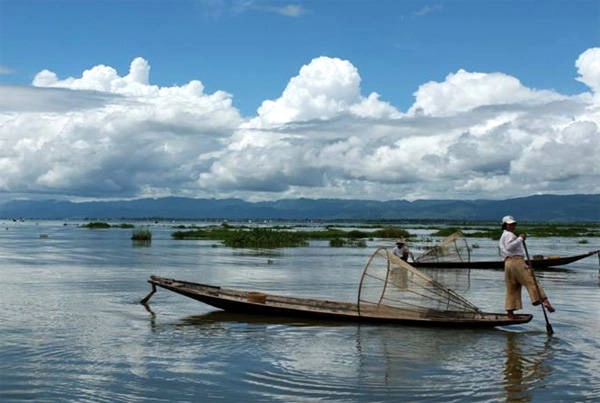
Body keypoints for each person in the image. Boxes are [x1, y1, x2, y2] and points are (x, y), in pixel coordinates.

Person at [499, 215, 555, 318]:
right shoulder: (509, 235)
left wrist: (519, 239)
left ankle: (510, 313)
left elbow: (505, 250)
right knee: (531, 280)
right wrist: (520, 238)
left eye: (513, 224)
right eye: (509, 224)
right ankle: (543, 300)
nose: (512, 226)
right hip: (516, 262)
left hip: (507, 264)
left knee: (512, 288)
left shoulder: (503, 236)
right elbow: (510, 247)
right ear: (505, 225)